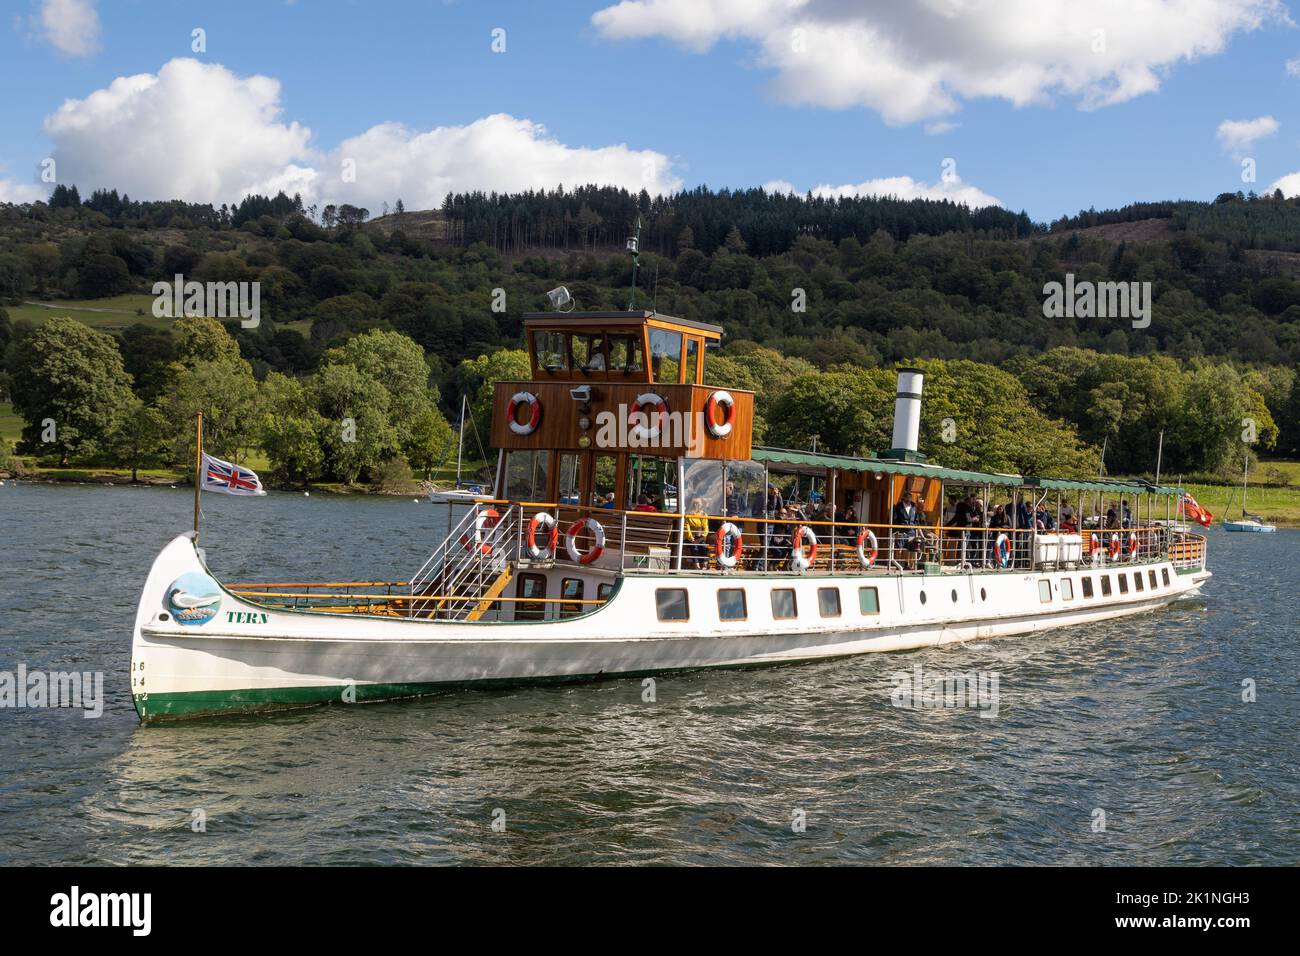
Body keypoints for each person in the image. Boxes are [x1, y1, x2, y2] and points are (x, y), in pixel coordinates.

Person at [684, 497, 709, 570]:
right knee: (694, 546)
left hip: (700, 536)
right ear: (694, 505)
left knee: (703, 546)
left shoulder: (704, 514)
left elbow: (706, 527)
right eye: (696, 503)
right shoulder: (688, 514)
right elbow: (686, 527)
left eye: (699, 503)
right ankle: (697, 566)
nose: (698, 505)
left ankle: (704, 565)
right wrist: (691, 537)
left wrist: (703, 535)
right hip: (690, 537)